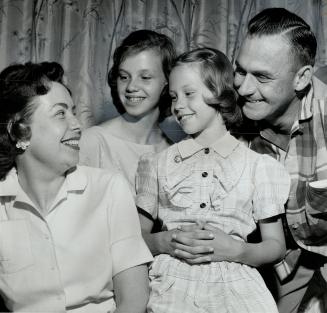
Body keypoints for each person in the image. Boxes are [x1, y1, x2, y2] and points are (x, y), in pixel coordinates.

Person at [136, 47, 290, 312]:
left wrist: (237, 250)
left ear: (219, 92)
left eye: (188, 94)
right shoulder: (157, 163)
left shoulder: (257, 165)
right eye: (173, 97)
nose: (178, 106)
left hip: (237, 286)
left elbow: (275, 246)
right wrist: (164, 241)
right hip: (172, 286)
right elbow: (133, 237)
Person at [0, 61, 152, 313]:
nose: (77, 125)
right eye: (61, 113)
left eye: (73, 112)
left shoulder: (109, 189)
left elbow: (133, 301)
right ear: (20, 131)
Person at [233, 7, 327, 313]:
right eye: (240, 71)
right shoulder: (229, 118)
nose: (244, 88)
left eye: (261, 77)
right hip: (281, 263)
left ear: (301, 78)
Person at [79, 29, 176, 196]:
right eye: (124, 77)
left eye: (145, 77)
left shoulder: (172, 152)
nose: (131, 87)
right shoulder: (93, 142)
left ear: (167, 82)